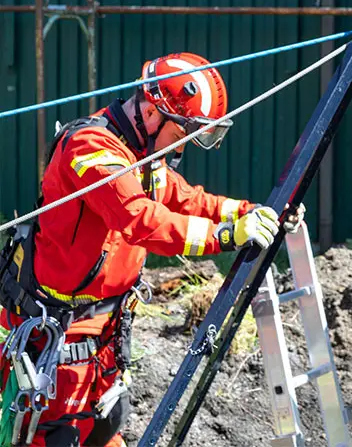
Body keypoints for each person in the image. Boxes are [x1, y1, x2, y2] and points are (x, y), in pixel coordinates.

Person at [0, 53, 301, 446]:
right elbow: (139, 218)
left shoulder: (141, 155)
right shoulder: (91, 149)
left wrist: (249, 212)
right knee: (52, 436)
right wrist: (227, 236)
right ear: (151, 112)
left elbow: (186, 199)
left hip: (103, 336)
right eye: (180, 135)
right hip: (58, 337)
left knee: (105, 427)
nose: (181, 150)